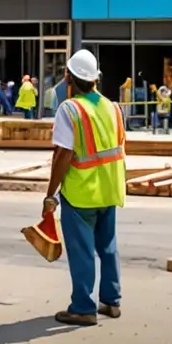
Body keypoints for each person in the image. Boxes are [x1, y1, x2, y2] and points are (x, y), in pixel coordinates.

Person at [43, 49, 124, 326]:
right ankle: (111, 302)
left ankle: (83, 307)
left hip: (81, 193)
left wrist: (51, 193)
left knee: (82, 251)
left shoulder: (70, 109)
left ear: (68, 76)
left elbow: (63, 154)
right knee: (108, 247)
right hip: (109, 188)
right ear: (95, 79)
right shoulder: (112, 107)